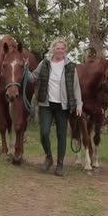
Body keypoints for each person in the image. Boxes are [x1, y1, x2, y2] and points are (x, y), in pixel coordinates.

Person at [28, 38, 82, 177]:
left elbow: (76, 87)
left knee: (61, 135)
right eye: (57, 48)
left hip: (63, 106)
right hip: (46, 103)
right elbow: (33, 77)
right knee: (44, 132)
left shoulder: (70, 66)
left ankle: (60, 164)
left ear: (65, 51)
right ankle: (49, 157)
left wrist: (79, 104)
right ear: (53, 49)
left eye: (62, 49)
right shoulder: (45, 63)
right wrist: (23, 69)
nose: (60, 51)